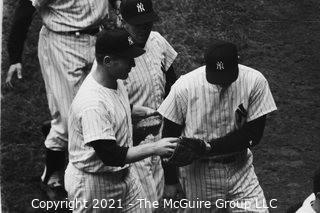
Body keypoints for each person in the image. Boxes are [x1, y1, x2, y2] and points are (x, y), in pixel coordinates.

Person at [5, 0, 111, 200]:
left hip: (98, 40)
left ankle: (58, 132)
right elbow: (25, 9)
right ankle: (52, 177)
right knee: (73, 120)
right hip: (62, 44)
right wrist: (15, 57)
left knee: (102, 107)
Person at [65, 29, 178, 213]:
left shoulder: (113, 79)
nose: (133, 64)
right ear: (108, 61)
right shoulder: (92, 104)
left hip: (125, 176)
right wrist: (154, 148)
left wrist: (136, 110)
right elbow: (111, 155)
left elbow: (114, 102)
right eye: (128, 59)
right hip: (95, 185)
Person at [158, 40, 277, 212]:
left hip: (240, 170)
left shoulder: (255, 81)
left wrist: (208, 147)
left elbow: (254, 134)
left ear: (238, 61)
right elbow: (168, 137)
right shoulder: (184, 88)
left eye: (227, 76)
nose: (222, 82)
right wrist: (170, 181)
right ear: (206, 66)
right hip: (198, 175)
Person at [119, 0, 178, 207]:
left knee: (158, 202)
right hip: (133, 144)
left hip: (161, 137)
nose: (144, 29)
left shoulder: (157, 41)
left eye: (147, 23)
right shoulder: (116, 58)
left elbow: (173, 86)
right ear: (122, 21)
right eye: (138, 24)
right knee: (144, 205)